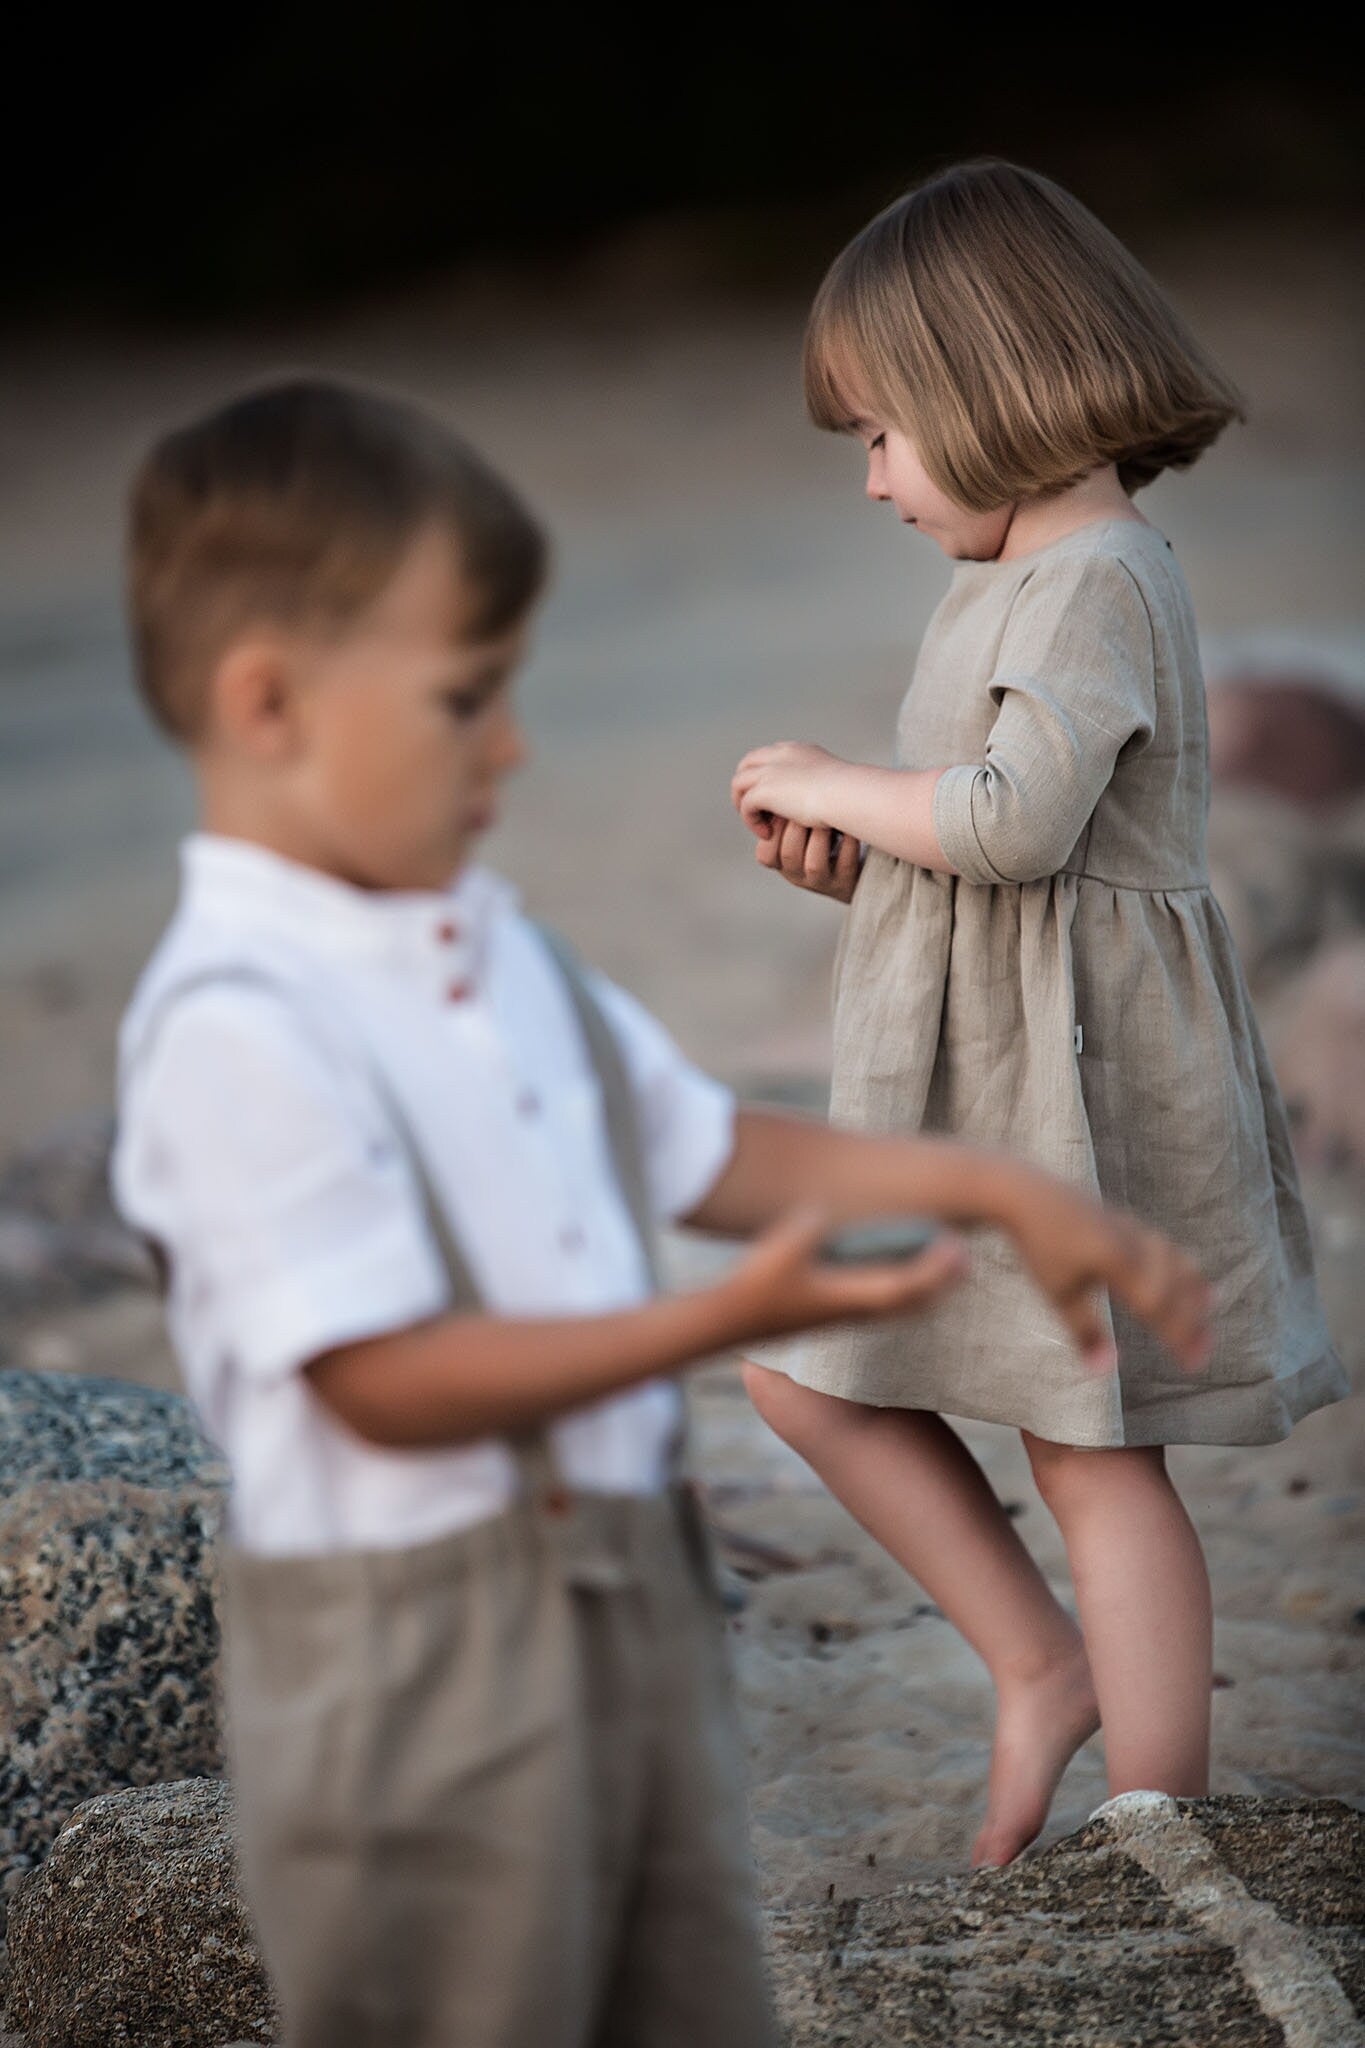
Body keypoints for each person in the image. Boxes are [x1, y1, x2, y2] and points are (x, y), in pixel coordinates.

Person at [111, 375, 1211, 2048]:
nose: (515, 744)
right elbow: (376, 1377)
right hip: (408, 1653)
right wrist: (720, 1320)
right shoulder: (240, 1026)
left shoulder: (495, 949)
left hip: (628, 1601)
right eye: (466, 699)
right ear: (269, 702)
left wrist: (983, 1181)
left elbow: (709, 1153)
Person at [732, 158, 1348, 1873]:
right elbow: (991, 851)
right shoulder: (1005, 578)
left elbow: (1011, 820)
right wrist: (853, 859)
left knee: (1089, 1452)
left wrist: (842, 779)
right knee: (803, 1376)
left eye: (879, 435)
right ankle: (1035, 1659)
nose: (869, 482)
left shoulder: (1098, 577)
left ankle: (1159, 1817)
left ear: (986, 393)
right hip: (980, 1072)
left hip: (1076, 1095)